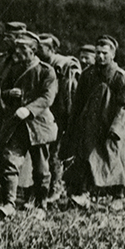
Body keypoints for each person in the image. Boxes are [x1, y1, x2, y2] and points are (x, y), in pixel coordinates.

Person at [62, 40, 125, 201]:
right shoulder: (87, 75)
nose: (101, 56)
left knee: (115, 159)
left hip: (111, 125)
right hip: (90, 125)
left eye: (105, 53)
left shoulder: (120, 77)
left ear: (113, 55)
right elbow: (78, 102)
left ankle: (118, 196)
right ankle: (84, 193)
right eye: (98, 53)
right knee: (87, 157)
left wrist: (116, 128)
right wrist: (73, 124)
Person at [0, 32, 58, 214]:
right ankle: (9, 204)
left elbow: (48, 97)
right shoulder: (12, 69)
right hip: (16, 125)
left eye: (23, 48)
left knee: (40, 169)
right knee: (10, 162)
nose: (18, 52)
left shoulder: (46, 71)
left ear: (33, 50)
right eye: (17, 47)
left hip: (38, 125)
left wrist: (29, 109)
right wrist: (8, 94)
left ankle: (41, 205)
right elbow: (0, 90)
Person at [36, 33, 81, 202]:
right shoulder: (40, 64)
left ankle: (56, 189)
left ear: (51, 49)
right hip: (44, 114)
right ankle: (43, 189)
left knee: (56, 153)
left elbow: (72, 85)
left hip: (61, 115)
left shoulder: (64, 63)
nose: (37, 50)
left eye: (41, 48)